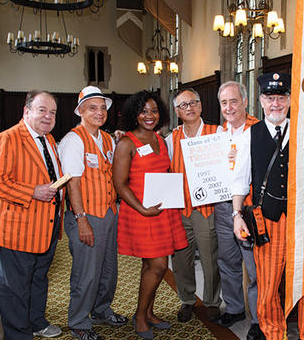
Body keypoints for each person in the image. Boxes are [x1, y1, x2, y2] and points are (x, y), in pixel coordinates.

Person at [231, 72, 304, 340]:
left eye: (281, 98)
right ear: (260, 101)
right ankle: (273, 334)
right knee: (268, 284)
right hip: (267, 221)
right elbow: (239, 181)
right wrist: (237, 216)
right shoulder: (250, 135)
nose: (275, 104)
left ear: (290, 100)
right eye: (270, 98)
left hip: (303, 221)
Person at [0, 91, 63, 339]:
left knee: (38, 279)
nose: (48, 116)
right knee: (14, 290)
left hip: (45, 227)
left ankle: (36, 322)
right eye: (42, 110)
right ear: (26, 111)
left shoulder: (48, 140)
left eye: (52, 112)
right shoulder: (7, 139)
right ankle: (19, 334)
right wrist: (32, 192)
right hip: (14, 231)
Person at [113, 90, 188, 339]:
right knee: (158, 266)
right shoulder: (126, 143)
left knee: (150, 266)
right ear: (135, 113)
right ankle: (140, 316)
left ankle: (149, 311)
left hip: (162, 211)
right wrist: (143, 208)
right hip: (141, 212)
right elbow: (120, 184)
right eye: (144, 111)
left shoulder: (160, 139)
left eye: (154, 111)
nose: (149, 115)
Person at [58, 86, 126, 340]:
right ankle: (78, 321)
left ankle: (100, 309)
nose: (99, 112)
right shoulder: (73, 140)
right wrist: (81, 220)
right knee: (86, 273)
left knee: (108, 269)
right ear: (81, 112)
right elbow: (72, 184)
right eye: (92, 108)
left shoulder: (107, 139)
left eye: (102, 108)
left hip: (108, 213)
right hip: (85, 216)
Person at [213, 81, 264, 339]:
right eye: (224, 103)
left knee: (254, 267)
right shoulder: (218, 135)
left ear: (245, 101)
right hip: (222, 207)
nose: (229, 107)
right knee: (228, 260)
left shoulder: (259, 131)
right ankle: (234, 308)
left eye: (234, 101)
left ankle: (259, 318)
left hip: (249, 210)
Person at [166, 88, 222, 322]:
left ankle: (211, 301)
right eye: (183, 105)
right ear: (177, 112)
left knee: (210, 258)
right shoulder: (171, 139)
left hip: (206, 208)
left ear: (200, 106)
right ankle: (187, 299)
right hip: (180, 209)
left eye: (193, 103)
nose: (189, 108)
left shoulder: (216, 132)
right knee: (181, 259)